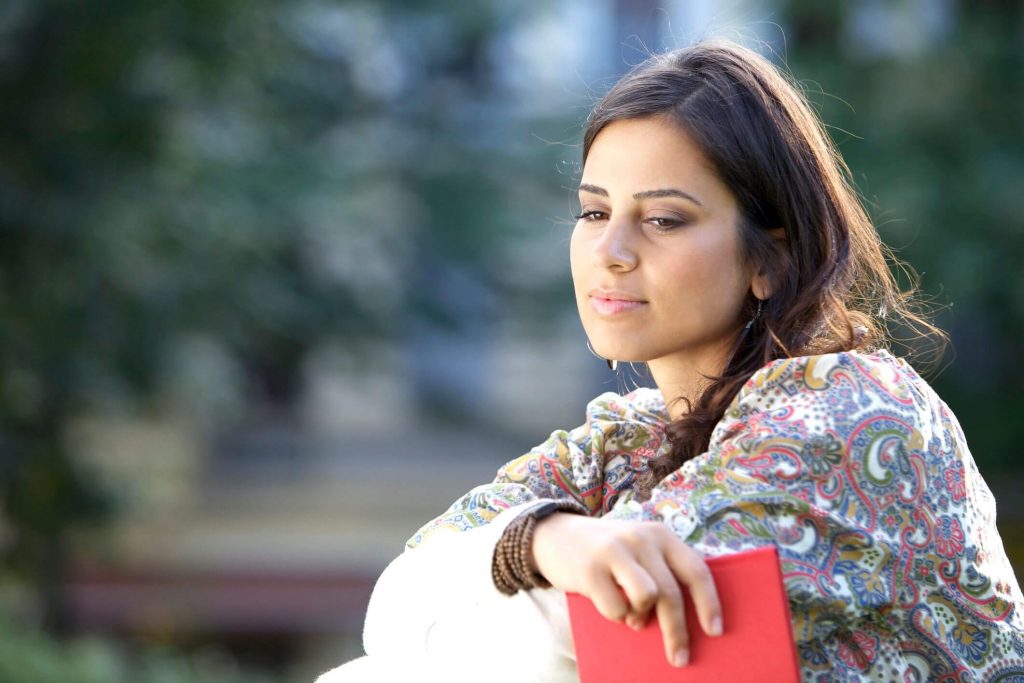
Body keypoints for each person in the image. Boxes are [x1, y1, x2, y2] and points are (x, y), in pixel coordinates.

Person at [317, 40, 1024, 682]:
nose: (611, 251)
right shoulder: (623, 442)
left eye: (663, 219)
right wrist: (548, 538)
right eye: (594, 212)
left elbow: (587, 649)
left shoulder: (854, 411)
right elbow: (397, 598)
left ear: (770, 257)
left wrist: (517, 565)